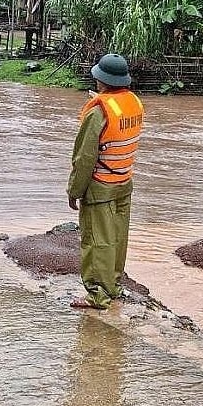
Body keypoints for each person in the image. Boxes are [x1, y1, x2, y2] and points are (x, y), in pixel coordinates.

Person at [67, 53, 144, 309]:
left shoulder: (98, 112)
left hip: (101, 186)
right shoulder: (133, 102)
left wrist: (74, 190)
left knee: (97, 239)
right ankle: (113, 285)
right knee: (118, 237)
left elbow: (85, 157)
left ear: (101, 80)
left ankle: (98, 294)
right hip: (124, 182)